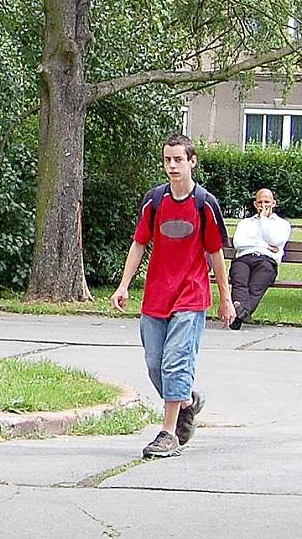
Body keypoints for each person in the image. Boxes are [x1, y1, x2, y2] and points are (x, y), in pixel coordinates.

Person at [110, 132, 236, 458]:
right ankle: (188, 401)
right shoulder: (155, 201)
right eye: (168, 159)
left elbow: (216, 253)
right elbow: (139, 243)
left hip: (191, 295)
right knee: (155, 364)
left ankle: (169, 433)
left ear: (192, 162)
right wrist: (124, 285)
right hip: (156, 295)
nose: (172, 165)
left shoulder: (205, 204)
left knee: (176, 362)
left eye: (179, 159)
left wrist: (225, 298)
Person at [228, 188, 291, 330]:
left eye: (267, 202)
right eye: (260, 202)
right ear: (255, 204)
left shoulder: (282, 224)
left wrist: (263, 219)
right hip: (243, 258)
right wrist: (264, 245)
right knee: (239, 281)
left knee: (256, 287)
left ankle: (238, 314)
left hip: (266, 261)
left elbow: (275, 240)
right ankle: (242, 313)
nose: (263, 205)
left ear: (274, 203)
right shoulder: (245, 223)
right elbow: (239, 243)